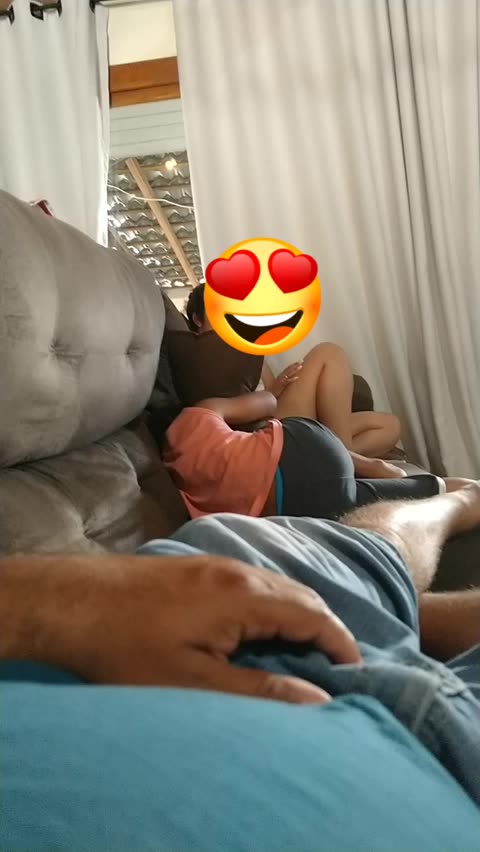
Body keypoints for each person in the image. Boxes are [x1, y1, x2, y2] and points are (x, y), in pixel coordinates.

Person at [2, 483, 480, 847]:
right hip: (454, 764)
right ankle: (395, 612)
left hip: (161, 612)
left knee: (371, 546)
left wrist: (45, 602)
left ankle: (457, 503)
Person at [162, 389, 470, 521]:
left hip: (298, 507)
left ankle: (433, 487)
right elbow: (268, 402)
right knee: (288, 433)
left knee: (415, 493)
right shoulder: (195, 416)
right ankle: (374, 465)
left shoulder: (180, 491)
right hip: (303, 450)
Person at [186, 282, 401, 458]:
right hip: (263, 431)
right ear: (197, 318)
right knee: (329, 353)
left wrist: (281, 385)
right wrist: (273, 393)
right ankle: (346, 456)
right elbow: (220, 411)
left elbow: (271, 394)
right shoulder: (202, 354)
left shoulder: (244, 348)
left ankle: (334, 458)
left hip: (277, 415)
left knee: (389, 425)